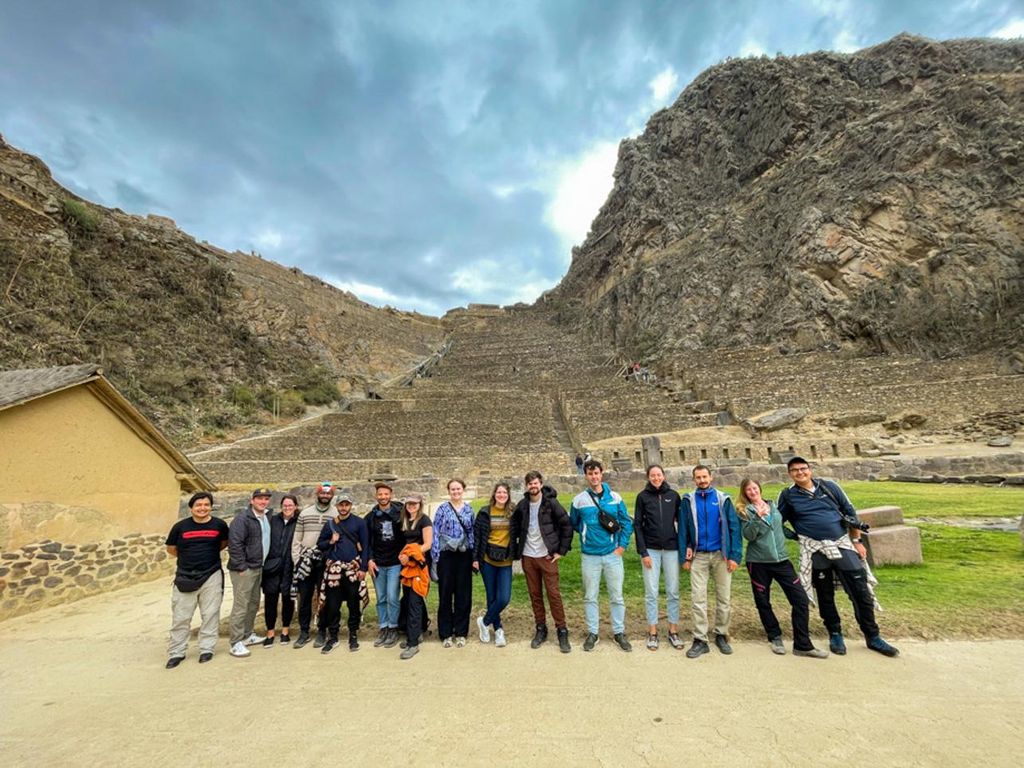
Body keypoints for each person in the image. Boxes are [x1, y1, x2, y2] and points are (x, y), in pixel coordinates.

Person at [777, 457, 899, 657]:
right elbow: (777, 521)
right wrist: (796, 537)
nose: (800, 473)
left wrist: (857, 541)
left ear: (810, 470)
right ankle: (835, 633)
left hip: (842, 544)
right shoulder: (789, 496)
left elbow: (850, 513)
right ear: (790, 473)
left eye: (803, 469)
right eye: (795, 470)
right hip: (816, 550)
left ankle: (873, 636)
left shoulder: (829, 487)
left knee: (860, 592)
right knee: (825, 595)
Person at [737, 478, 828, 658]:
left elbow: (779, 527)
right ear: (745, 493)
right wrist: (758, 517)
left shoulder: (773, 505)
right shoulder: (744, 511)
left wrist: (797, 536)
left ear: (759, 488)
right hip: (759, 562)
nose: (753, 492)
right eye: (749, 490)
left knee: (800, 600)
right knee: (763, 601)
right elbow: (749, 535)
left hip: (782, 561)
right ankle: (774, 636)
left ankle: (802, 644)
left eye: (755, 488)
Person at [570, 459, 633, 652]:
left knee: (617, 596)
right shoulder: (579, 500)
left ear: (601, 473)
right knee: (590, 596)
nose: (593, 477)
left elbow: (626, 522)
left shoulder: (615, 497)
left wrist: (622, 546)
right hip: (590, 555)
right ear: (586, 476)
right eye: (590, 474)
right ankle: (593, 632)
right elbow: (573, 523)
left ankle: (619, 632)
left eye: (596, 473)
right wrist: (586, 534)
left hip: (612, 554)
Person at [681, 465, 741, 659]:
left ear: (711, 477)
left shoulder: (723, 499)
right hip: (698, 555)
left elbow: (734, 528)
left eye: (704, 476)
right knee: (698, 598)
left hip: (720, 554)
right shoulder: (688, 500)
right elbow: (683, 529)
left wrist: (735, 555)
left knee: (724, 597)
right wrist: (684, 556)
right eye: (698, 477)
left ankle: (721, 634)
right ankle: (700, 639)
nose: (702, 480)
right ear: (694, 480)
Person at [164, 492, 229, 667]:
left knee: (210, 614)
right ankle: (177, 652)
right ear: (191, 507)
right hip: (185, 576)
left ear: (211, 507)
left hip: (211, 574)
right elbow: (172, 548)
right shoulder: (180, 527)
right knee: (181, 617)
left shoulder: (219, 525)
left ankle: (206, 649)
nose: (202, 508)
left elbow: (223, 544)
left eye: (206, 505)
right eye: (198, 505)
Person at [512, 470, 574, 652]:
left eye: (536, 483)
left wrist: (561, 551)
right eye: (530, 483)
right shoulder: (523, 505)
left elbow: (566, 525)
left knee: (554, 594)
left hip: (547, 556)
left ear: (540, 484)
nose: (533, 486)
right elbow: (515, 528)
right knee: (535, 594)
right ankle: (541, 628)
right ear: (526, 486)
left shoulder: (551, 503)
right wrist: (517, 551)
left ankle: (562, 629)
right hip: (529, 556)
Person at [633, 464, 683, 651]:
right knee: (651, 592)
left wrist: (683, 546)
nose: (656, 478)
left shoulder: (673, 496)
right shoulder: (642, 497)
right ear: (648, 477)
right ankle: (652, 631)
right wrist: (643, 552)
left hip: (671, 548)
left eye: (659, 475)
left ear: (663, 476)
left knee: (673, 591)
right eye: (652, 475)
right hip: (651, 550)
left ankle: (673, 630)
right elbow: (637, 525)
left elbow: (681, 523)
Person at [316, 491, 370, 654]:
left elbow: (365, 546)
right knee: (332, 605)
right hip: (334, 570)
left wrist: (363, 568)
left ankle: (353, 634)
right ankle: (333, 636)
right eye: (341, 505)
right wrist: (331, 540)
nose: (344, 507)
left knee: (354, 604)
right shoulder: (330, 524)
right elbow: (320, 544)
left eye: (346, 504)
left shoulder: (359, 523)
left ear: (350, 506)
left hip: (352, 569)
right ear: (337, 506)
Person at [227, 487, 272, 658]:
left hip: (258, 566)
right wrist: (241, 567)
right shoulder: (242, 519)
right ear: (252, 500)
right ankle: (235, 642)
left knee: (253, 603)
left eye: (266, 499)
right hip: (245, 569)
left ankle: (247, 635)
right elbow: (235, 544)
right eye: (259, 498)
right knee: (241, 605)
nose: (263, 501)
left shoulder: (266, 517)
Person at [431, 478, 476, 647]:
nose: (455, 492)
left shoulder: (469, 510)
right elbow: (435, 532)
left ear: (463, 490)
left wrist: (473, 557)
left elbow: (471, 532)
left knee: (463, 595)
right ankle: (446, 633)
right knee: (445, 594)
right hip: (446, 554)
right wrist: (435, 556)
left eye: (458, 489)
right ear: (449, 491)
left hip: (463, 555)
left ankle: (461, 631)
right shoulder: (442, 509)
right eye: (452, 489)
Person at [473, 482, 519, 648]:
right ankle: (498, 630)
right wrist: (475, 558)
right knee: (491, 596)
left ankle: (484, 622)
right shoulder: (485, 512)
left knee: (504, 598)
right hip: (487, 559)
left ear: (508, 495)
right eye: (499, 492)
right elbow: (477, 536)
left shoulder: (513, 512)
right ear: (494, 494)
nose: (501, 495)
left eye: (504, 493)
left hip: (505, 560)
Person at [291, 482, 334, 649]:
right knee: (305, 597)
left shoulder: (335, 513)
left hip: (325, 560)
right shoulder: (305, 513)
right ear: (318, 494)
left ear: (331, 495)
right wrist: (297, 560)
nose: (325, 496)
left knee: (324, 597)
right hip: (305, 561)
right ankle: (304, 631)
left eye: (328, 493)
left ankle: (322, 630)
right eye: (323, 493)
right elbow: (297, 538)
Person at [367, 481, 404, 649]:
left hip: (395, 562)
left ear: (391, 494)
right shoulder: (370, 517)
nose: (383, 497)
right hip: (378, 562)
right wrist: (369, 559)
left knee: (392, 596)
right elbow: (366, 541)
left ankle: (393, 627)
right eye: (380, 494)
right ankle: (384, 626)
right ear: (376, 496)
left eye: (386, 494)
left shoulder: (400, 513)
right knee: (381, 598)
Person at [398, 492, 433, 659]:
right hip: (407, 566)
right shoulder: (405, 521)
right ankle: (418, 631)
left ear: (420, 505)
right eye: (409, 504)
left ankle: (412, 643)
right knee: (409, 599)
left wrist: (411, 554)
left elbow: (427, 544)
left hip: (418, 564)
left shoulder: (424, 520)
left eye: (415, 504)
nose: (411, 506)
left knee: (414, 601)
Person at [261, 493, 298, 646]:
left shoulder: (298, 521)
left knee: (288, 599)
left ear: (295, 507)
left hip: (290, 565)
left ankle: (285, 631)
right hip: (272, 565)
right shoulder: (272, 520)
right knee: (270, 599)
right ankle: (270, 632)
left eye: (290, 505)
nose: (287, 508)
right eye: (285, 505)